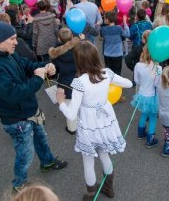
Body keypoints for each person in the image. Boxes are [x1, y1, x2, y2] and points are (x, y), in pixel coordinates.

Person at [0, 22, 68, 193]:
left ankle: (47, 161)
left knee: (41, 137)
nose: (16, 42)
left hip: (29, 109)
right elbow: (13, 94)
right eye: (12, 39)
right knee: (25, 153)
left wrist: (44, 68)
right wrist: (38, 79)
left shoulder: (9, 53)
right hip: (15, 118)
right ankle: (19, 183)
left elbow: (27, 65)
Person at [56, 41, 132, 200]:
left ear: (78, 60)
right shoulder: (107, 73)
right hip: (105, 121)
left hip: (88, 126)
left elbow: (71, 114)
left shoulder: (79, 82)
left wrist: (61, 102)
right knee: (105, 156)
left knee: (88, 162)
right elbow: (129, 83)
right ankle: (109, 189)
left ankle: (91, 195)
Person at [48, 28, 83, 135]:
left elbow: (55, 70)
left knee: (69, 105)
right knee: (81, 101)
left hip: (65, 81)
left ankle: (72, 128)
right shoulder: (79, 48)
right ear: (72, 37)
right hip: (79, 78)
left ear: (59, 38)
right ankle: (83, 122)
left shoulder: (56, 53)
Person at [131, 45, 162, 147]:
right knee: (153, 117)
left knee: (144, 113)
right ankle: (150, 140)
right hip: (152, 96)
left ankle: (140, 133)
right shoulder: (157, 67)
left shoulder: (138, 65)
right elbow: (157, 84)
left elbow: (136, 80)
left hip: (141, 95)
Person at [100, 11, 130, 76]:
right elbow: (127, 34)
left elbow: (102, 37)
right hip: (117, 54)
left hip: (107, 54)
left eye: (104, 18)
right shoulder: (119, 28)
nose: (103, 19)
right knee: (117, 73)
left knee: (108, 73)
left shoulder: (103, 29)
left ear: (107, 20)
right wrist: (125, 23)